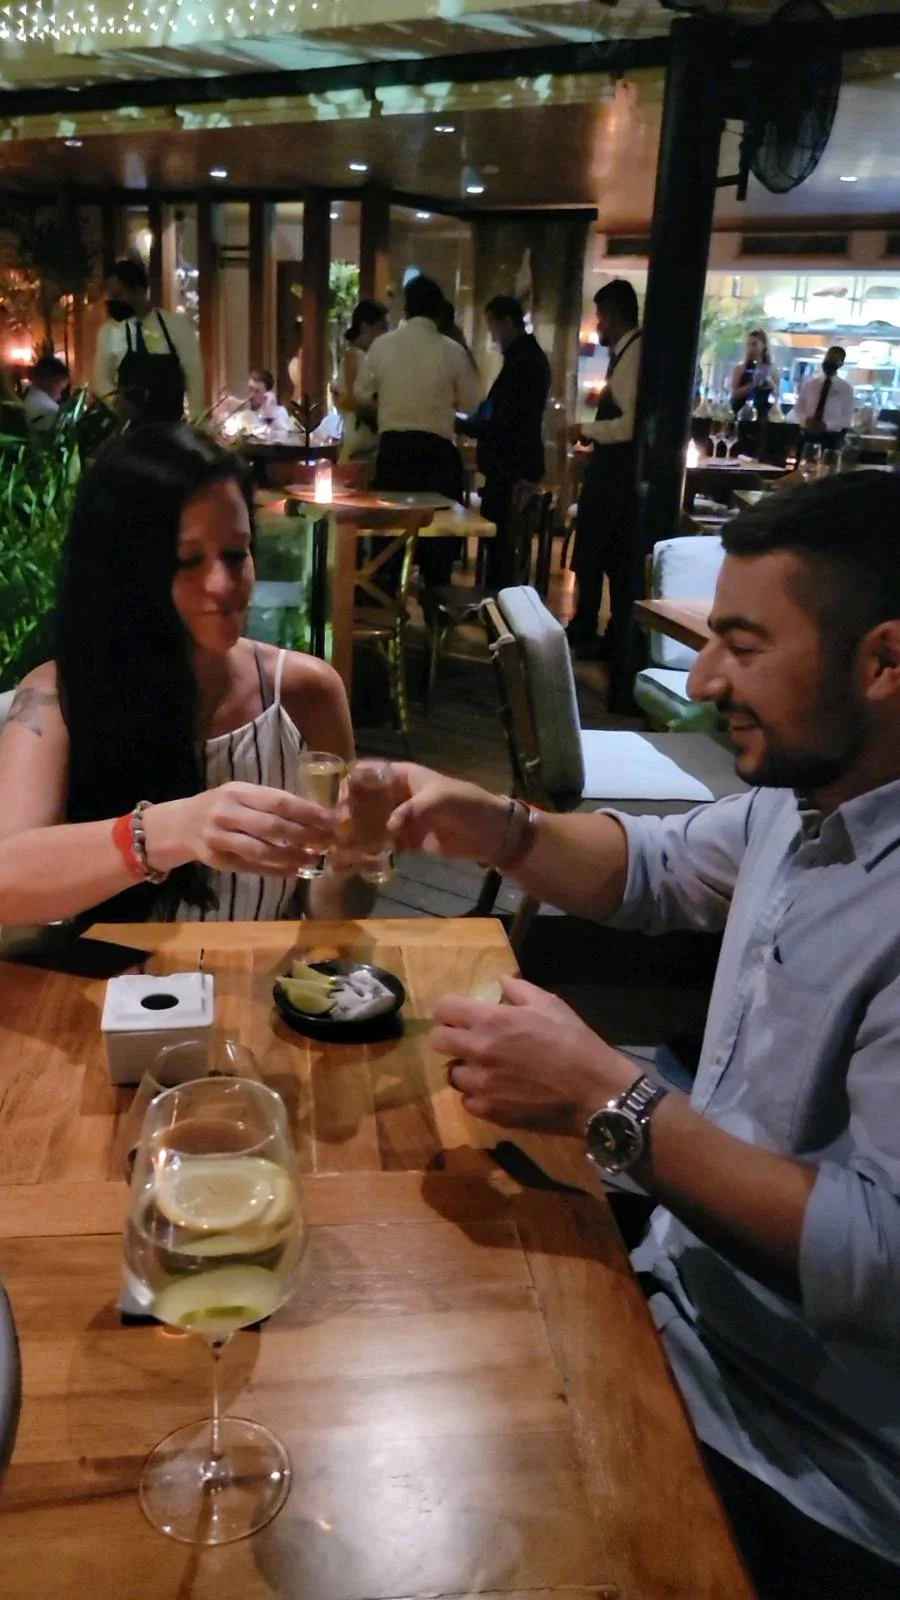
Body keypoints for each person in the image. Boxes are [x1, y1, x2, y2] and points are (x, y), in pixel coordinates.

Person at [387, 470, 900, 1599]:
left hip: (802, 1453)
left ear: (884, 661)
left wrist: (607, 1099)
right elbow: (652, 869)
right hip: (678, 1301)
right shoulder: (804, 798)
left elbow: (880, 1262)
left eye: (743, 647)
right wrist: (494, 824)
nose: (705, 678)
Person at [0, 425, 377, 928]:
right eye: (187, 560)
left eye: (236, 554)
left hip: (256, 976)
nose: (222, 584)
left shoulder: (306, 692)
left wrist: (354, 857)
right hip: (109, 979)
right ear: (123, 571)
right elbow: (5, 885)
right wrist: (171, 830)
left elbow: (333, 912)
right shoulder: (58, 697)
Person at [356, 273, 480, 587]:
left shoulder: (383, 346)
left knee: (390, 542)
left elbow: (360, 394)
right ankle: (435, 608)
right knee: (438, 551)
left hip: (394, 454)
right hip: (438, 457)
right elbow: (472, 403)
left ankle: (387, 604)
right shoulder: (452, 351)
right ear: (438, 312)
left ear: (407, 309)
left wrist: (388, 403)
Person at [567, 278, 642, 702]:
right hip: (612, 474)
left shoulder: (633, 356)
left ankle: (597, 632)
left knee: (602, 553)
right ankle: (598, 631)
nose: (598, 325)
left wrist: (586, 429)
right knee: (602, 554)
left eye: (600, 317)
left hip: (616, 476)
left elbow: (629, 425)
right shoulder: (628, 353)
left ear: (613, 315)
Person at [457, 295, 550, 589]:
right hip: (516, 465)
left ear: (507, 322)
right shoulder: (527, 358)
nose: (493, 336)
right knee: (505, 546)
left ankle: (500, 603)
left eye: (493, 327)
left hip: (511, 468)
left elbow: (504, 418)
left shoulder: (523, 362)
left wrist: (466, 424)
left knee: (503, 547)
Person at [93, 258, 205, 423]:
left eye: (118, 295)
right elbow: (101, 378)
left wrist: (197, 423)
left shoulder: (176, 326)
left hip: (170, 430)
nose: (112, 303)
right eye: (110, 297)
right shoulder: (109, 332)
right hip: (127, 430)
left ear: (138, 291)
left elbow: (194, 377)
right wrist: (115, 401)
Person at [334, 299, 388, 462]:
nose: (384, 334)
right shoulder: (356, 355)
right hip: (360, 441)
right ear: (365, 327)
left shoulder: (361, 356)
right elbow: (351, 400)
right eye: (381, 328)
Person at [794, 346, 855, 448]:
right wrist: (806, 420)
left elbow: (847, 419)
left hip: (831, 438)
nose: (829, 362)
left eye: (834, 359)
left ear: (841, 363)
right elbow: (798, 407)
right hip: (807, 434)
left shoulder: (846, 389)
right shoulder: (810, 384)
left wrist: (826, 425)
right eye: (828, 358)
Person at [227, 368, 292, 435]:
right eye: (250, 389)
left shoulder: (279, 412)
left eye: (257, 391)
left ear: (267, 394)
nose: (252, 395)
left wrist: (268, 412)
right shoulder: (241, 413)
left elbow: (283, 435)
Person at [730, 328, 778, 419]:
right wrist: (753, 384)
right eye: (748, 345)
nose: (751, 348)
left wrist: (770, 384)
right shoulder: (741, 368)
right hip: (742, 415)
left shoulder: (772, 369)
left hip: (763, 416)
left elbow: (776, 395)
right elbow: (734, 394)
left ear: (763, 345)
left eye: (754, 344)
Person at [22, 355, 69, 435]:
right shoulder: (50, 410)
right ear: (55, 382)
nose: (60, 395)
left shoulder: (31, 395)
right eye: (61, 389)